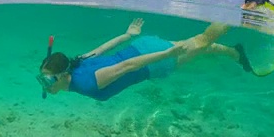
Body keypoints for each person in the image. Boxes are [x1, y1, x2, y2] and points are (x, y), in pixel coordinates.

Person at [36, 18, 256, 101]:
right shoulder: (76, 62)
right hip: (141, 46)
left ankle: (242, 14)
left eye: (47, 80)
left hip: (153, 60)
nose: (45, 85)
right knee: (197, 45)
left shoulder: (87, 82)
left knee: (202, 40)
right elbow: (102, 48)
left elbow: (127, 66)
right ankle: (235, 53)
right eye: (42, 79)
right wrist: (128, 35)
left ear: (63, 75)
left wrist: (166, 55)